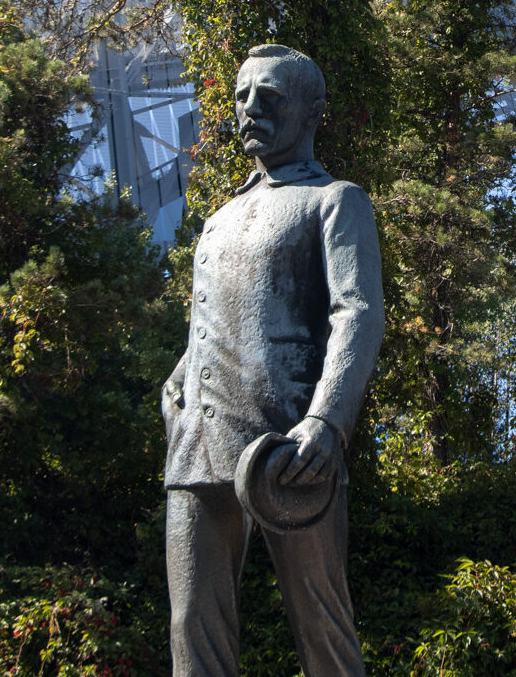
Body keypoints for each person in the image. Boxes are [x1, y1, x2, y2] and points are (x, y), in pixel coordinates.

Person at [161, 44, 384, 677]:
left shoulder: (335, 201)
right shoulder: (218, 218)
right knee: (191, 627)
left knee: (321, 624)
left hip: (290, 445)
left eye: (271, 98)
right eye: (241, 96)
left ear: (312, 113)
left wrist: (327, 421)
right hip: (197, 439)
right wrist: (176, 385)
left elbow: (358, 312)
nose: (250, 109)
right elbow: (210, 322)